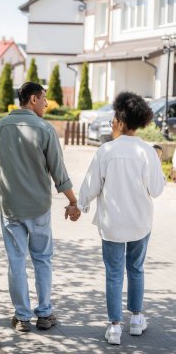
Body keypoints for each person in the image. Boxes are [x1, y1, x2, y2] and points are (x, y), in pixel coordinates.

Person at [65, 91, 165, 345]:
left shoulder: (106, 151)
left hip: (112, 224)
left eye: (112, 120)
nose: (111, 125)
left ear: (121, 121)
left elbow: (90, 185)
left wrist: (78, 206)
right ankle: (136, 320)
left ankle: (114, 327)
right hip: (140, 222)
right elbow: (156, 190)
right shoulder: (147, 152)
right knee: (136, 269)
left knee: (113, 273)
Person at [0, 82, 77, 332]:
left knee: (16, 261)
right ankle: (45, 314)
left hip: (10, 208)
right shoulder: (44, 129)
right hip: (39, 207)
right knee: (42, 259)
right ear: (33, 99)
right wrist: (72, 200)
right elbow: (59, 174)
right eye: (44, 99)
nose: (47, 104)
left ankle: (22, 317)